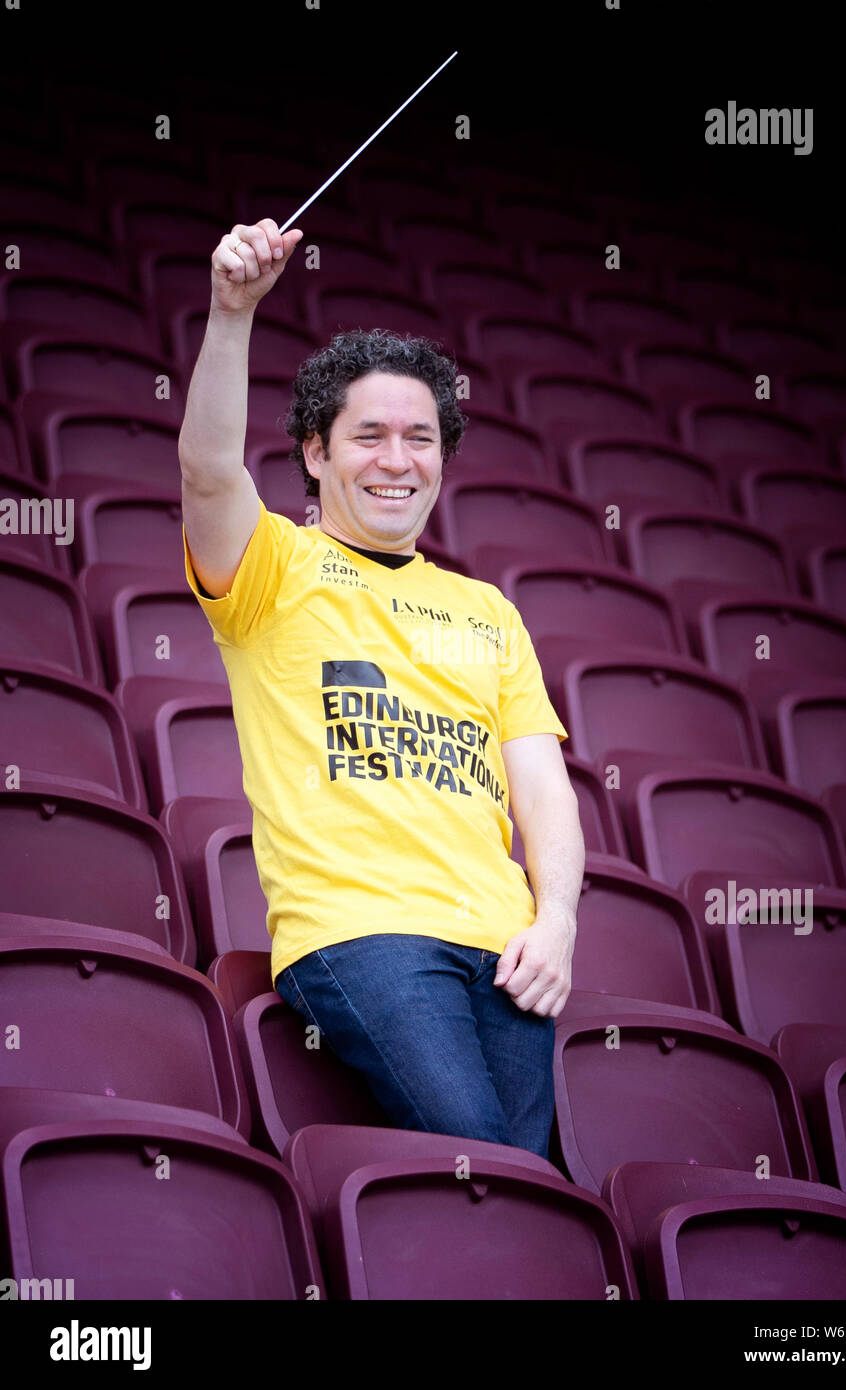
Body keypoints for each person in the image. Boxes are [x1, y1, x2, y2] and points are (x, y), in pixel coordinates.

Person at [178, 218, 585, 1160]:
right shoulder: (277, 564)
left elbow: (545, 795)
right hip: (361, 931)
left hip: (508, 953)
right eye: (367, 436)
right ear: (315, 454)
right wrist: (231, 312)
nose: (396, 459)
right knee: (485, 1160)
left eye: (420, 438)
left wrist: (556, 922)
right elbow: (205, 469)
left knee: (526, 1189)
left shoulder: (489, 609)